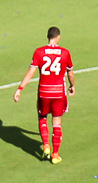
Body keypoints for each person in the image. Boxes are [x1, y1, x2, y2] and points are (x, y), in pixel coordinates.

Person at [14, 26, 76, 164]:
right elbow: (70, 73)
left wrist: (20, 88)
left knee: (42, 117)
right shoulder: (65, 53)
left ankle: (46, 145)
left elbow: (31, 72)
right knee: (57, 123)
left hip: (44, 92)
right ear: (58, 37)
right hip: (58, 92)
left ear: (48, 37)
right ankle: (55, 154)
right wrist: (72, 85)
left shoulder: (39, 52)